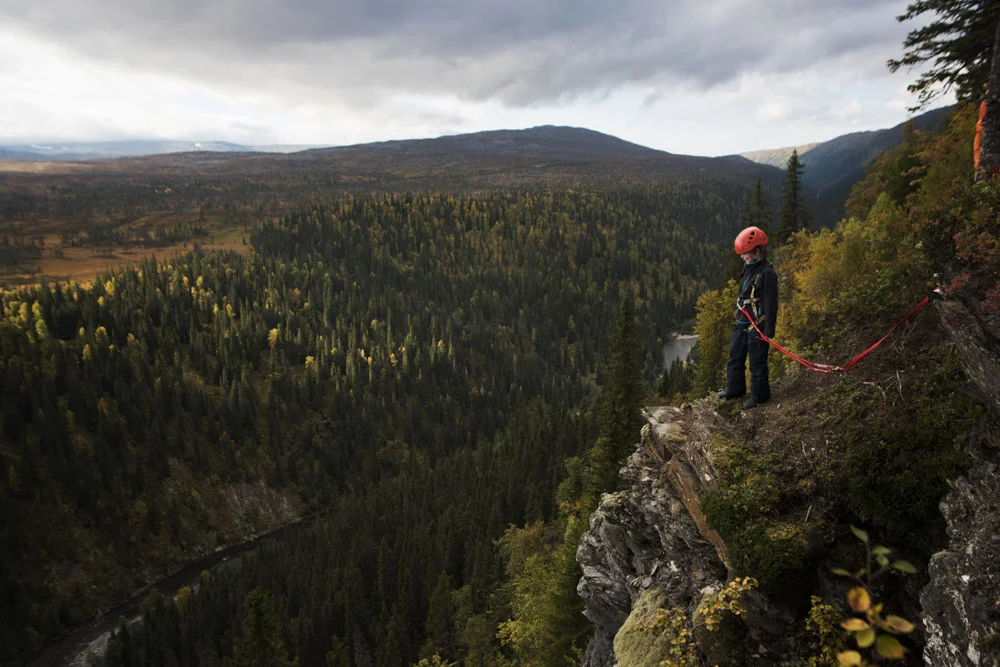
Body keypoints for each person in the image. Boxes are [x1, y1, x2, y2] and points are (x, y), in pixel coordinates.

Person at [716, 226, 778, 409]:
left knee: (757, 361)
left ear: (757, 251)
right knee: (735, 354)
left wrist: (768, 331)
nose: (742, 257)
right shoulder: (748, 268)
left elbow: (771, 303)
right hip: (742, 321)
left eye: (746, 253)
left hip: (757, 326)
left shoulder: (767, 274)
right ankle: (734, 388)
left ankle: (760, 395)